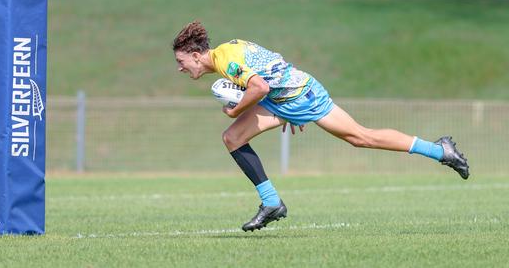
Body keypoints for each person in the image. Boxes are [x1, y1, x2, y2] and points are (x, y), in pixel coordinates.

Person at [172, 21, 469, 232]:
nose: (180, 67)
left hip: (303, 95)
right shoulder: (229, 49)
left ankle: (439, 150)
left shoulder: (226, 61)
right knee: (233, 137)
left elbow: (259, 86)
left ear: (196, 55)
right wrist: (281, 111)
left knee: (361, 137)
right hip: (287, 97)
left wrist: (236, 109)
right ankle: (272, 203)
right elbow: (271, 67)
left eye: (182, 61)